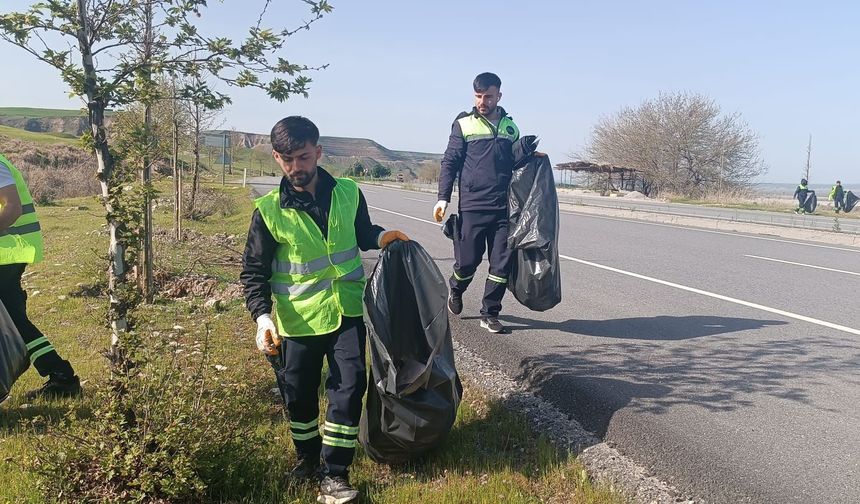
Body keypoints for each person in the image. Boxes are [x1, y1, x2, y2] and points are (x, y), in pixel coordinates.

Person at [240, 116, 408, 504]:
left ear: (318, 152)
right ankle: (306, 458)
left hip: (346, 312)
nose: (295, 168)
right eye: (286, 160)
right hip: (296, 321)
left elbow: (362, 231)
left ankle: (335, 474)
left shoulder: (348, 192)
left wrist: (383, 236)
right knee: (298, 396)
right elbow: (253, 272)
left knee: (349, 389)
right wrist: (262, 317)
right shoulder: (268, 211)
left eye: (302, 157)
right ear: (276, 158)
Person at [434, 72, 536, 334]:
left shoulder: (510, 128)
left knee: (501, 264)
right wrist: (443, 198)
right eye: (478, 96)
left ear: (498, 96)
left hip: (504, 209)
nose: (482, 101)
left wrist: (527, 152)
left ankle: (489, 312)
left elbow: (515, 166)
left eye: (488, 96)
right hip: (473, 206)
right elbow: (450, 163)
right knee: (468, 262)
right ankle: (456, 288)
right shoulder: (464, 125)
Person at [0, 153, 81, 402]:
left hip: (8, 252)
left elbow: (12, 207)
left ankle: (61, 375)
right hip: (9, 251)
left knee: (13, 321)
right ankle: (60, 374)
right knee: (15, 319)